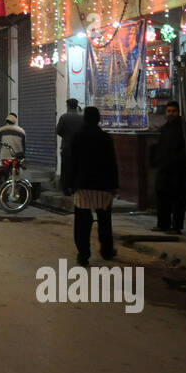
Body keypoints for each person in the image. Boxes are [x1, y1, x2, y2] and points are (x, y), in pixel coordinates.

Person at [64, 106, 120, 267]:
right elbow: (112, 162)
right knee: (104, 220)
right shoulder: (105, 138)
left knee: (82, 223)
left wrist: (69, 184)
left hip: (83, 186)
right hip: (103, 186)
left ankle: (83, 254)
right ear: (98, 119)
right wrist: (114, 184)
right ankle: (107, 250)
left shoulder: (77, 137)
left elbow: (71, 162)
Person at [151, 100, 186, 234]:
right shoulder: (165, 128)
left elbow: (185, 150)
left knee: (177, 199)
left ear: (178, 112)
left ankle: (176, 227)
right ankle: (162, 224)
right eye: (169, 111)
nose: (171, 114)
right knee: (162, 197)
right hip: (164, 169)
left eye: (173, 111)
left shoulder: (183, 129)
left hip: (178, 170)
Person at [54, 98, 85, 193]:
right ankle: (76, 188)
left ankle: (66, 189)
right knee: (77, 168)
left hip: (67, 147)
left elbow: (58, 131)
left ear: (68, 106)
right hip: (79, 148)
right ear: (76, 106)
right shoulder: (83, 118)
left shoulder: (64, 117)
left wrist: (66, 136)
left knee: (65, 169)